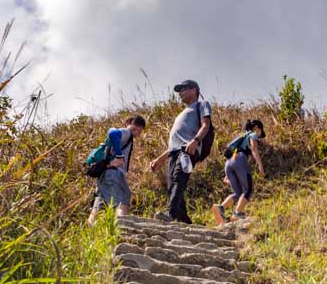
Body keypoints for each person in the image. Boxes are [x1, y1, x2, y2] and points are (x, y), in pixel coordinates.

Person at [149, 80, 212, 224]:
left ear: (194, 90)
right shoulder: (181, 114)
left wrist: (195, 141)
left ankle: (170, 214)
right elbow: (174, 145)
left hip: (188, 149)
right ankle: (184, 220)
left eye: (183, 89)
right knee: (171, 185)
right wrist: (159, 160)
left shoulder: (202, 104)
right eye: (179, 91)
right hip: (175, 152)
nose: (180, 93)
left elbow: (206, 125)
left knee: (178, 179)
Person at [88, 115, 146, 225]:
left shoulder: (125, 137)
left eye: (140, 130)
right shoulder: (126, 133)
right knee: (123, 201)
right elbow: (112, 133)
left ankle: (91, 230)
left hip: (104, 175)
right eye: (135, 127)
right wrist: (119, 155)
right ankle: (123, 230)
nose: (137, 131)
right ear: (128, 123)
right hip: (113, 174)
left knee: (99, 205)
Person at [213, 119, 265, 225]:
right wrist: (260, 166)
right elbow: (254, 148)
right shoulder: (253, 134)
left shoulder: (241, 136)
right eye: (261, 131)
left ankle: (220, 208)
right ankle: (237, 213)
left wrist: (227, 175)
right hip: (239, 160)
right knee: (248, 189)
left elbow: (231, 153)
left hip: (229, 163)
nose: (259, 135)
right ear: (256, 128)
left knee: (238, 192)